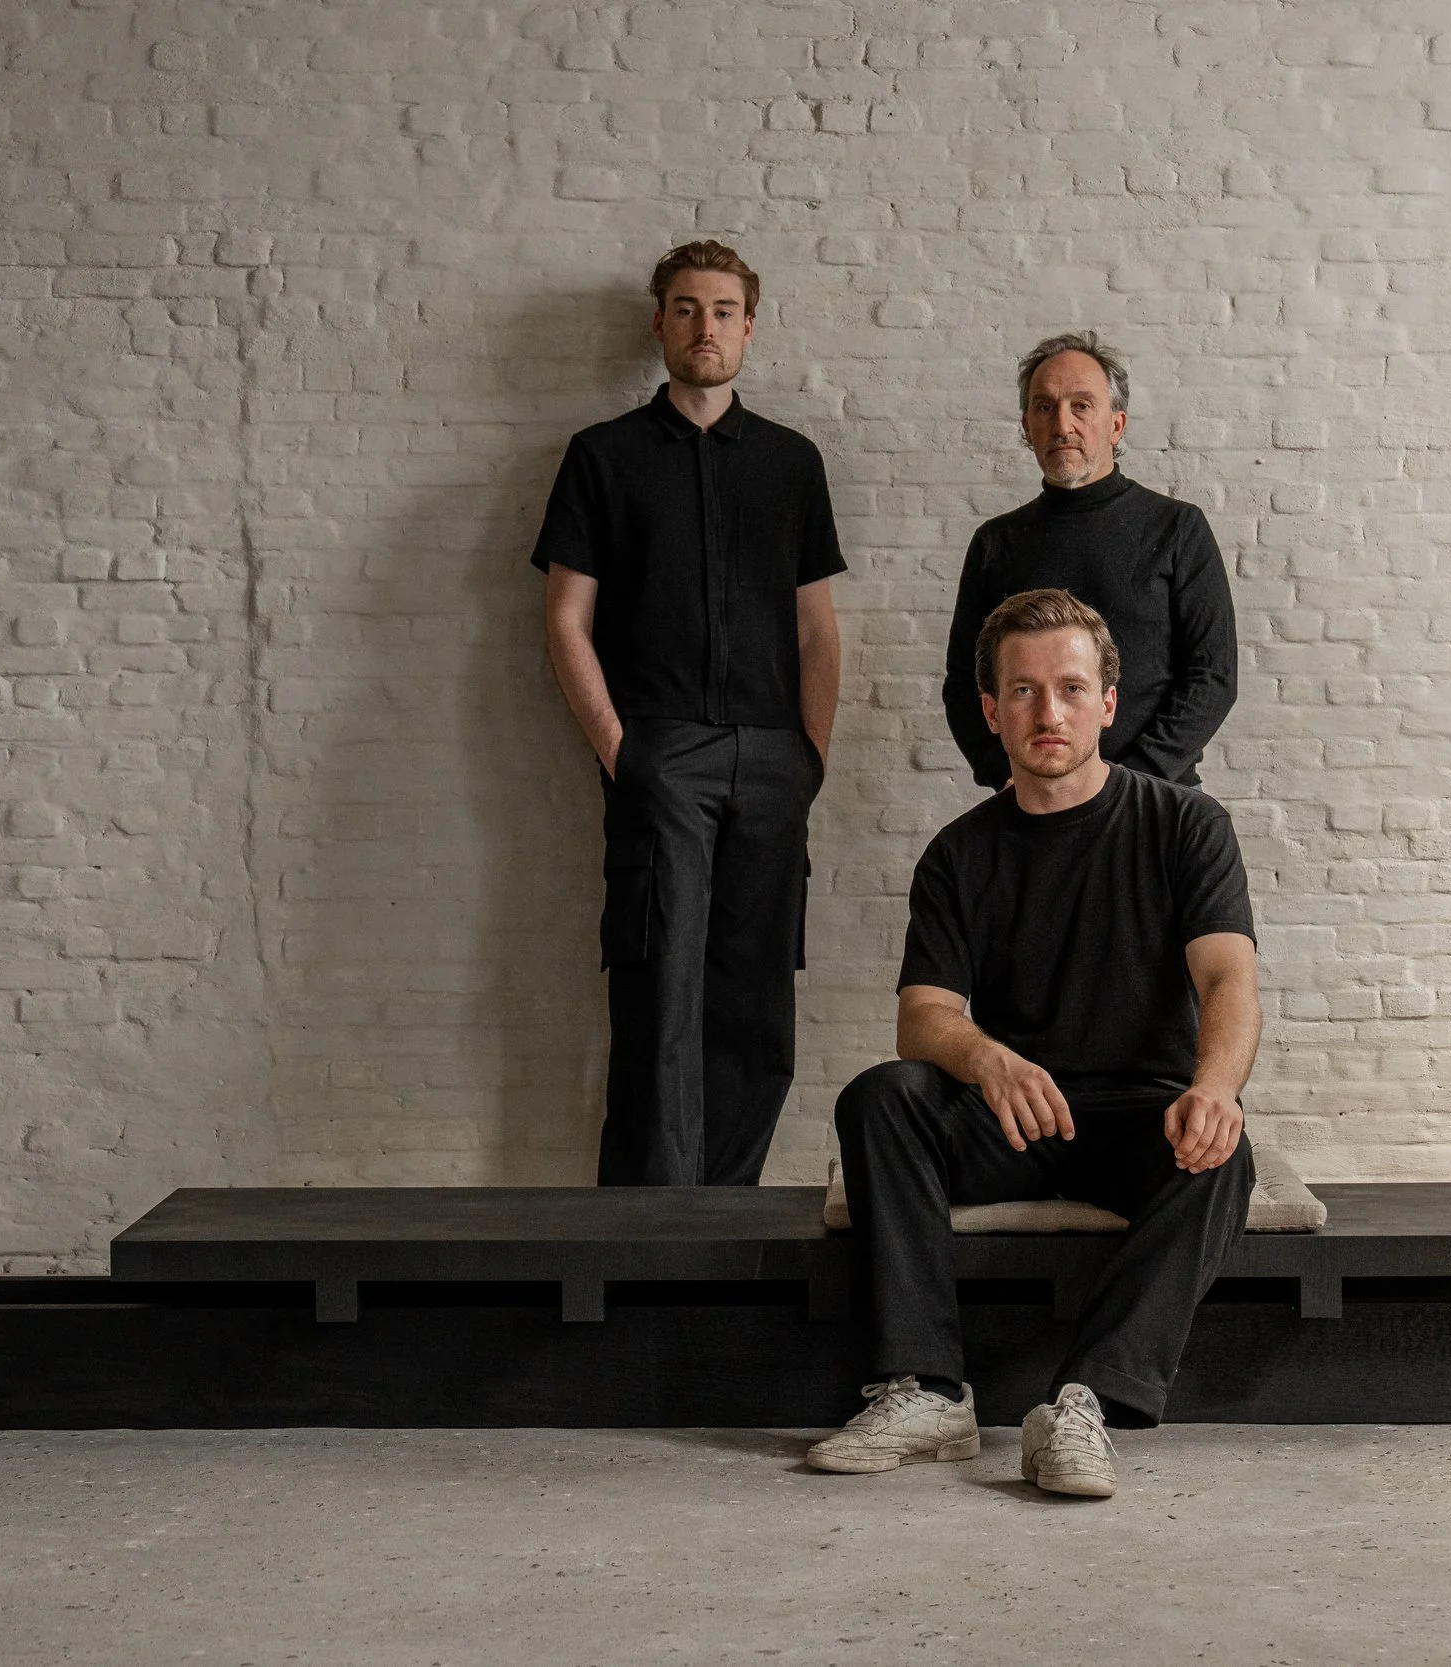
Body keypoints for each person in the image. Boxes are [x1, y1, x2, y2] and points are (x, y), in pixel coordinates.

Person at [808, 588, 1261, 1498]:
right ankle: (930, 1389)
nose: (1046, 712)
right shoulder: (959, 853)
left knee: (1223, 1152)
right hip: (1011, 1117)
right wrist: (988, 1059)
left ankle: (1082, 1405)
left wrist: (1214, 1088)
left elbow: (1228, 979)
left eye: (1068, 688)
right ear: (990, 710)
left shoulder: (1184, 825)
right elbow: (924, 1014)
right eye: (1022, 691)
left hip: (1140, 1117)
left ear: (1107, 700)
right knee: (882, 1094)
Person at [532, 241, 845, 1186]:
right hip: (661, 755)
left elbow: (818, 631)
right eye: (684, 308)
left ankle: (730, 1217)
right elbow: (563, 618)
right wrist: (625, 753)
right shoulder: (603, 458)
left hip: (773, 763)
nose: (703, 327)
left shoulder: (792, 462)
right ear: (657, 323)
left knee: (756, 1002)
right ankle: (649, 1235)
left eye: (721, 310)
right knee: (658, 996)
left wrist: (809, 759)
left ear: (748, 326)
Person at [942, 332, 1237, 790]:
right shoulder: (996, 543)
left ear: (1116, 425)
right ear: (1026, 426)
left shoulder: (1176, 528)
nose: (1062, 424)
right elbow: (965, 683)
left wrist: (1131, 784)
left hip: (1154, 796)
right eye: (1045, 407)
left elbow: (1212, 676)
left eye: (1081, 405)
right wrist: (1005, 778)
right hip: (1035, 804)